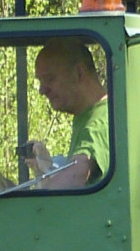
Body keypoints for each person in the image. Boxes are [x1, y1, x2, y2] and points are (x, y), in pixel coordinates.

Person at [26, 38, 109, 189]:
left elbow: (76, 177)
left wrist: (33, 201)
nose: (42, 90)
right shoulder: (88, 117)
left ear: (79, 73)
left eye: (49, 79)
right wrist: (44, 170)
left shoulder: (101, 122)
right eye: (40, 81)